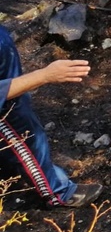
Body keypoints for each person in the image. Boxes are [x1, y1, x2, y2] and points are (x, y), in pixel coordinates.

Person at [0, 25, 104, 208]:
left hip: (12, 92)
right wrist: (45, 75)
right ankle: (58, 191)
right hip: (5, 112)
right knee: (28, 145)